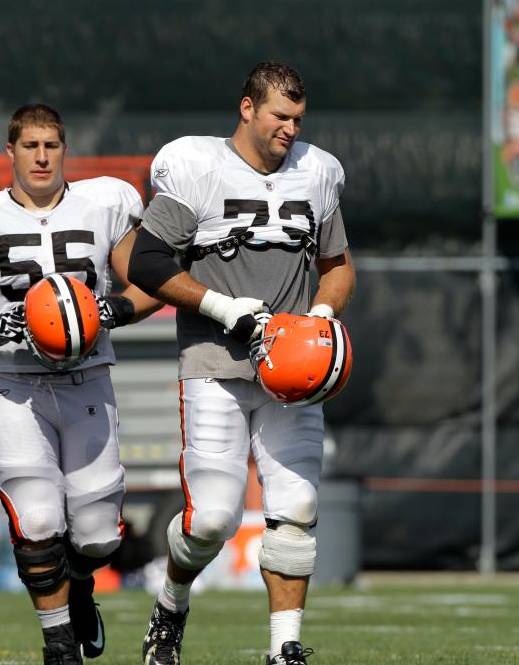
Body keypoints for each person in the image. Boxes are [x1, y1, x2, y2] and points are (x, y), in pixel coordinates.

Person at [128, 61, 357, 665]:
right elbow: (147, 264)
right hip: (213, 359)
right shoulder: (197, 167)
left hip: (292, 371)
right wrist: (225, 308)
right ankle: (172, 601)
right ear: (247, 108)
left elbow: (337, 267)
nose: (290, 129)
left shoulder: (318, 172)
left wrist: (322, 316)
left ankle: (285, 647)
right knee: (212, 519)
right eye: (280, 116)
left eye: (298, 119)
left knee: (297, 507)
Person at [0, 103, 162, 665]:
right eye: (29, 146)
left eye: (50, 146)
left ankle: (80, 589)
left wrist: (115, 311)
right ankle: (58, 643)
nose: (40, 156)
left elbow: (152, 284)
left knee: (99, 535)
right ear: (9, 151)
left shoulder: (103, 205)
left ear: (64, 149)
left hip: (86, 378)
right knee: (36, 519)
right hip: (13, 381)